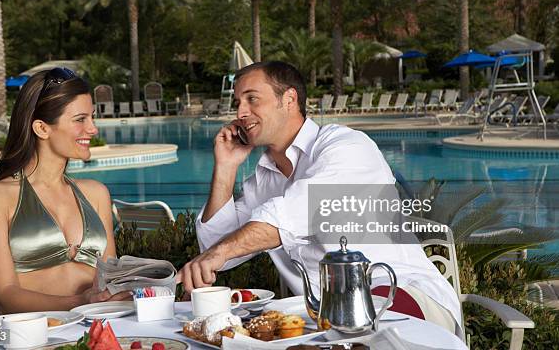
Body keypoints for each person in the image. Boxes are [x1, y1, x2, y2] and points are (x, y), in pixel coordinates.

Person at [177, 61, 461, 334]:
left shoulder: (347, 147)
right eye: (238, 102)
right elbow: (216, 251)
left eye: (252, 99)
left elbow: (292, 214)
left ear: (289, 99)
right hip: (325, 316)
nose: (241, 111)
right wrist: (226, 168)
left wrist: (219, 253)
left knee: (356, 332)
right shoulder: (263, 179)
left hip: (401, 292)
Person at [0, 68, 129, 315]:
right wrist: (79, 303)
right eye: (80, 119)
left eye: (92, 118)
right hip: (32, 334)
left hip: (95, 328)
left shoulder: (96, 194)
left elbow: (109, 278)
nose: (93, 129)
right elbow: (5, 295)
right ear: (42, 128)